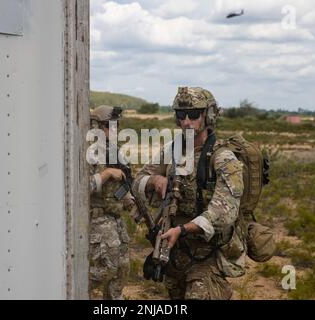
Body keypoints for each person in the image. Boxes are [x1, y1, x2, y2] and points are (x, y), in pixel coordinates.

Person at [133, 87, 246, 300]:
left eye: (194, 115)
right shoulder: (172, 150)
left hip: (207, 256)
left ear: (209, 116)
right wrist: (154, 180)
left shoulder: (223, 158)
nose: (186, 121)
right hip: (174, 253)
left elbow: (224, 210)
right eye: (181, 115)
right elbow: (136, 181)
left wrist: (183, 229)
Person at [88, 105, 133, 300]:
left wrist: (129, 199)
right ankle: (68, 289)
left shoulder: (115, 152)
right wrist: (106, 174)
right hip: (97, 217)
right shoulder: (88, 152)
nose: (113, 130)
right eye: (108, 126)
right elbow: (81, 188)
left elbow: (125, 182)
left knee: (122, 268)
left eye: (116, 125)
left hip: (115, 217)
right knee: (107, 268)